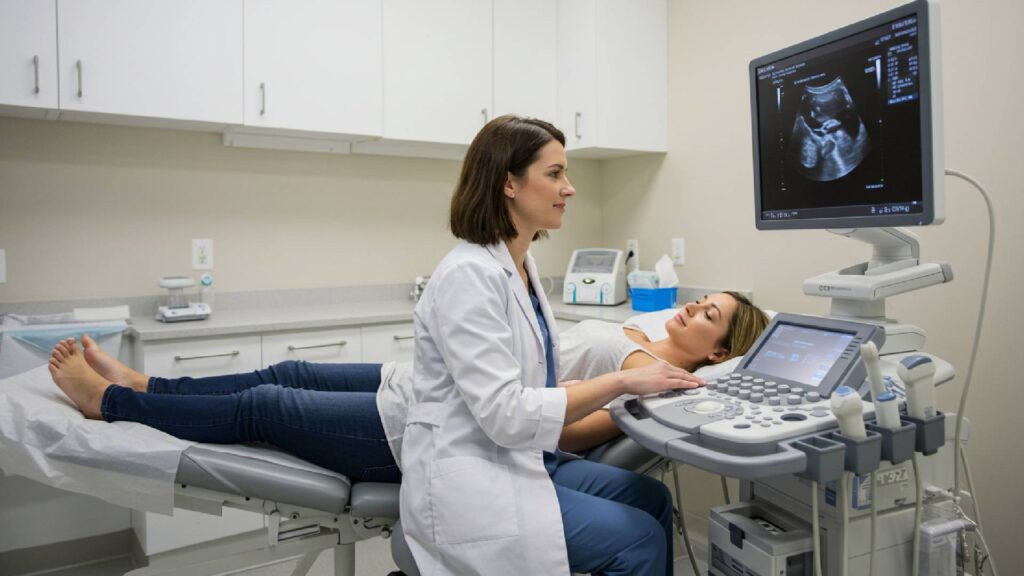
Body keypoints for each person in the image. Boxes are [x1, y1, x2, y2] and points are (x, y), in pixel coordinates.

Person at [398, 114, 736, 576]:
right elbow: (504, 413)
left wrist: (561, 388)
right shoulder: (469, 275)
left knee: (653, 498)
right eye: (554, 174)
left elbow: (518, 379)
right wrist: (619, 382)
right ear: (509, 184)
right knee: (636, 540)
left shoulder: (520, 266)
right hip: (478, 476)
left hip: (521, 456)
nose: (569, 188)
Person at [46, 289, 768, 485]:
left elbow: (574, 435)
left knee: (267, 407)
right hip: (432, 382)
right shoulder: (641, 329)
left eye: (711, 317)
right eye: (701, 298)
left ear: (722, 349)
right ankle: (151, 383)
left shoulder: (652, 376)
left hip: (452, 422)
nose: (694, 308)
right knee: (285, 372)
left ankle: (109, 402)